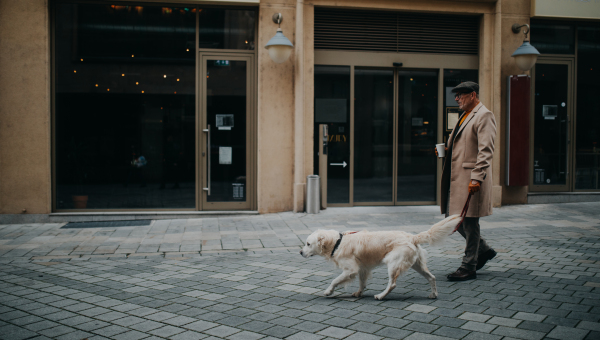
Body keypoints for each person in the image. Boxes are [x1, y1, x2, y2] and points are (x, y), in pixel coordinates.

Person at [436, 81, 497, 281]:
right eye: (456, 95)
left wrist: (477, 177)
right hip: (458, 179)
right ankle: (484, 250)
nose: (456, 98)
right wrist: (444, 150)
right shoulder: (466, 115)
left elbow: (485, 150)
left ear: (472, 95)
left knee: (469, 223)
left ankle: (468, 266)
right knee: (455, 219)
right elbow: (463, 145)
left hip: (470, 179)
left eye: (460, 95)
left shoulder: (484, 115)